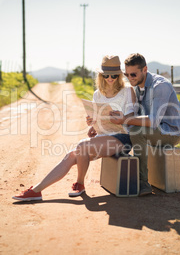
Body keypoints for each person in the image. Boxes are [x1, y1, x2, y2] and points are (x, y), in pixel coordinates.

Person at [13, 55, 136, 201]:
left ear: (120, 75)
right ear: (101, 75)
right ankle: (36, 190)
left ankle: (79, 183)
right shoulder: (98, 94)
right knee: (72, 155)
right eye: (106, 75)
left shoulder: (128, 91)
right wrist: (93, 124)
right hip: (102, 137)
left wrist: (120, 118)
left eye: (114, 75)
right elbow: (97, 119)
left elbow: (131, 120)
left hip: (122, 137)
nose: (110, 78)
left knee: (81, 146)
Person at [110, 53, 180, 196]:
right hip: (155, 130)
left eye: (133, 74)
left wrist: (125, 120)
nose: (130, 78)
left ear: (145, 69)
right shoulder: (137, 87)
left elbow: (153, 121)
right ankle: (126, 173)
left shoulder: (160, 86)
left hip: (170, 132)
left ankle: (142, 182)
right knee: (131, 129)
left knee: (137, 131)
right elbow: (133, 117)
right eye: (127, 74)